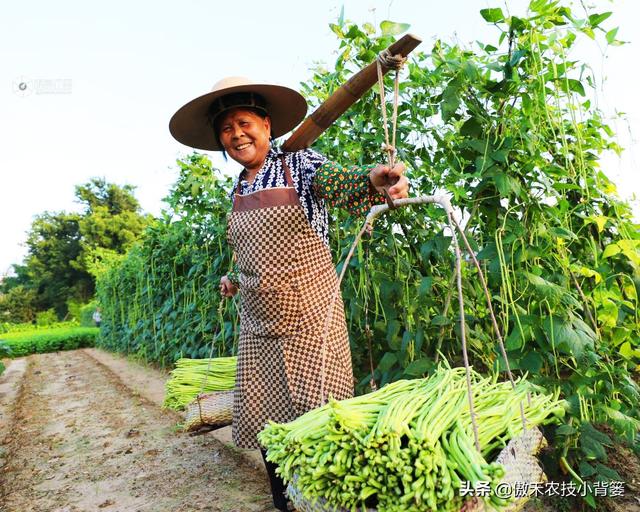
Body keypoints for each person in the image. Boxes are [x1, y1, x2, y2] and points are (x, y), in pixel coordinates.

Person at [169, 77, 409, 511]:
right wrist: (233, 279)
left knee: (321, 413)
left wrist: (374, 179)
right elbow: (249, 253)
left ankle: (337, 499)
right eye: (226, 129)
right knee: (266, 416)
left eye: (245, 123)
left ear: (266, 123)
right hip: (258, 321)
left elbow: (340, 182)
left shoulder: (300, 164)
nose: (237, 134)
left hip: (310, 315)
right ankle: (286, 501)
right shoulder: (240, 186)